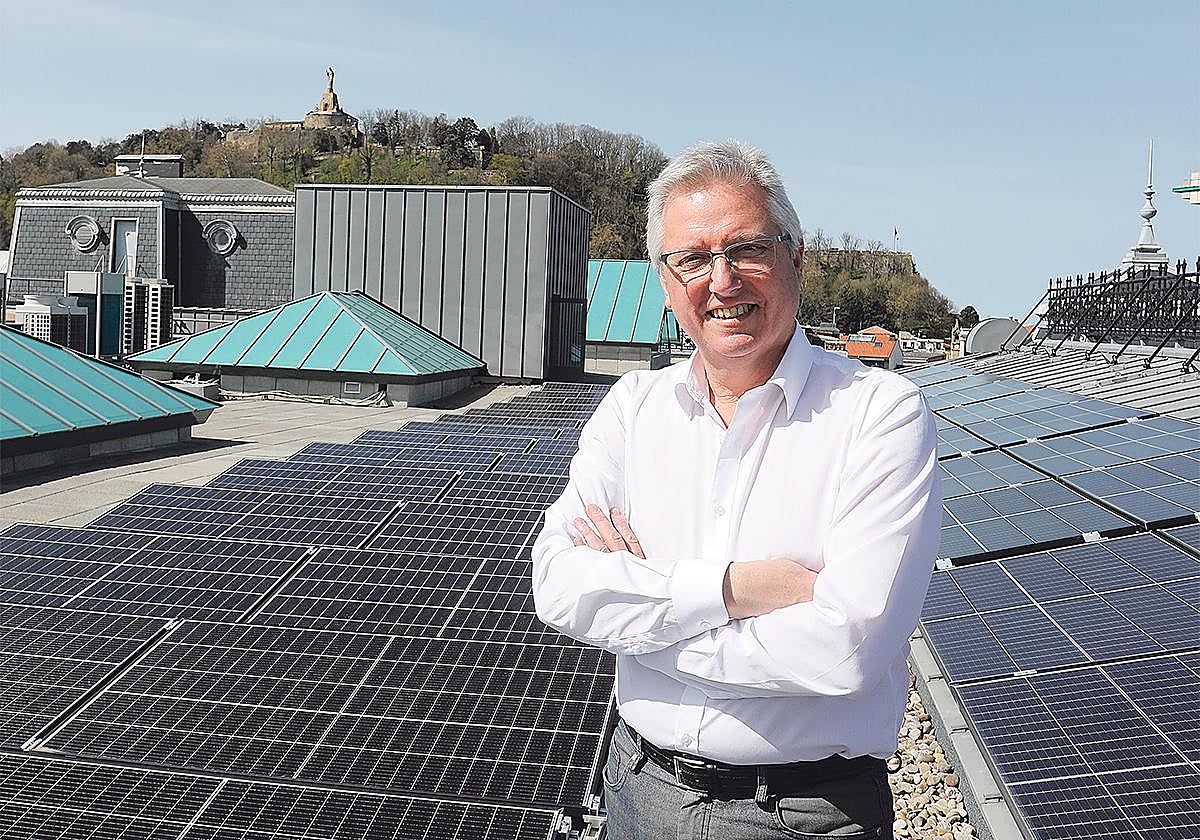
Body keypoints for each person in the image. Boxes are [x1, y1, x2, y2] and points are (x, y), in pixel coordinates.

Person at [532, 140, 941, 839]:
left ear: (796, 257)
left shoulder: (879, 414)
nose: (721, 280)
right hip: (638, 790)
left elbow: (847, 648)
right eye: (691, 258)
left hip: (804, 813)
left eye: (746, 248)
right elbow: (560, 587)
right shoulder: (633, 408)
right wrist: (733, 591)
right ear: (664, 282)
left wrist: (641, 626)